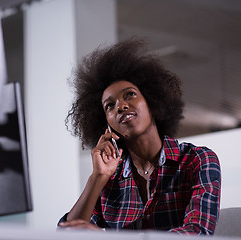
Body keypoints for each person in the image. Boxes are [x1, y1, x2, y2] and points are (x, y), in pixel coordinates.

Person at [57, 38, 221, 235]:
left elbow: (197, 232)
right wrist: (97, 177)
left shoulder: (197, 160)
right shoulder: (110, 179)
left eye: (130, 95)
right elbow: (67, 235)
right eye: (110, 105)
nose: (121, 106)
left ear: (153, 102)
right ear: (106, 123)